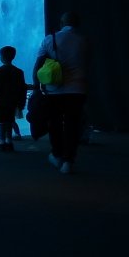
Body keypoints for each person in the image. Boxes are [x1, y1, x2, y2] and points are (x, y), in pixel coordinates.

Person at [34, 11, 90, 174]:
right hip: (78, 89)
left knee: (55, 123)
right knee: (73, 124)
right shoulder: (84, 41)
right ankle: (69, 160)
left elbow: (38, 65)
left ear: (61, 23)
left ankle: (57, 153)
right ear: (78, 23)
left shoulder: (50, 39)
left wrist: (38, 88)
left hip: (54, 90)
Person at [0, 45, 29, 152]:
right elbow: (22, 89)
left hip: (1, 101)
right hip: (13, 102)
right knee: (9, 120)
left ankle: (2, 142)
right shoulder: (19, 72)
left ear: (2, 57)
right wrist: (22, 103)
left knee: (1, 122)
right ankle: (9, 142)